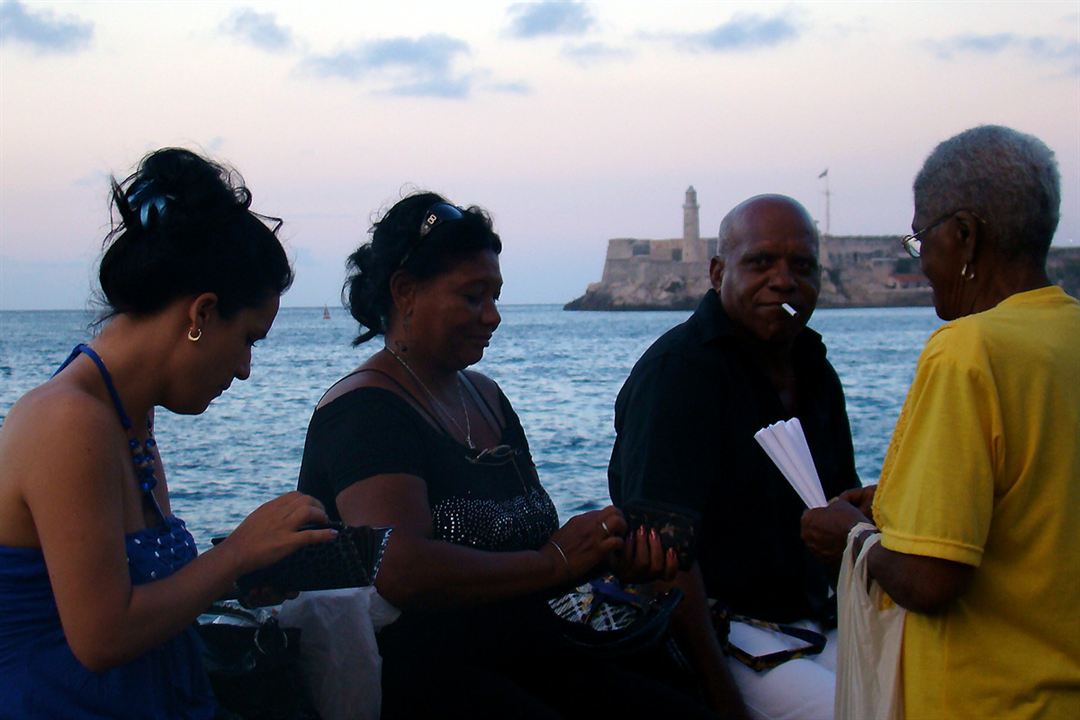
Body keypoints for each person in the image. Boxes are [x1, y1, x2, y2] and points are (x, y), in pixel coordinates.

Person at [297, 192, 717, 719]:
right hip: (428, 680)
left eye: (495, 296)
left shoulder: (486, 397)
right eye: (473, 297)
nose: (492, 316)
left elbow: (535, 545)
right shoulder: (364, 411)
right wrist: (554, 562)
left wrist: (605, 556)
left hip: (533, 652)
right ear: (405, 292)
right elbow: (399, 567)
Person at [0, 148, 336, 718]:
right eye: (250, 339)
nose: (245, 370)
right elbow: (102, 636)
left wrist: (244, 576)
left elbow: (136, 595)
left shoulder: (127, 418)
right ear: (201, 315)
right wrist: (234, 554)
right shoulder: (69, 421)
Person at [802, 126, 1080, 719]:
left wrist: (849, 537)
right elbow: (1041, 499)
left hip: (988, 700)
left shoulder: (967, 350)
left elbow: (931, 581)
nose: (923, 261)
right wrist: (896, 502)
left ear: (965, 235)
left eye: (921, 239)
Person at [609, 194, 861, 720]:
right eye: (761, 262)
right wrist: (721, 696)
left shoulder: (815, 371)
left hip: (818, 618)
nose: (784, 281)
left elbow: (840, 501)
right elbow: (665, 564)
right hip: (725, 635)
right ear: (719, 272)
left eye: (802, 266)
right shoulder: (679, 374)